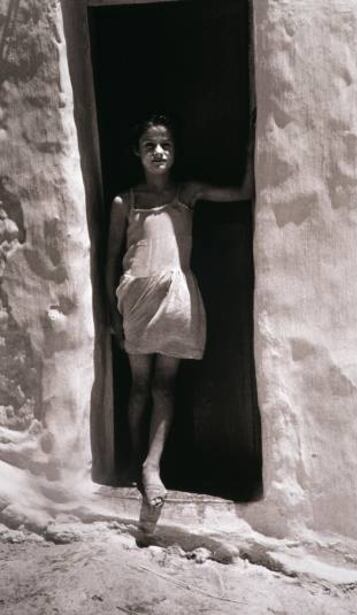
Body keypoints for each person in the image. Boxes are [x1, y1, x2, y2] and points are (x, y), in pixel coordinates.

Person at [106, 111, 254, 510]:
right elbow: (109, 260)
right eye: (150, 145)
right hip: (135, 300)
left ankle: (153, 466)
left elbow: (243, 192)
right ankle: (135, 456)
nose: (158, 151)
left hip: (175, 297)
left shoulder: (186, 193)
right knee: (138, 386)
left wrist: (254, 144)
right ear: (136, 152)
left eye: (166, 145)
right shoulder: (126, 201)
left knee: (163, 386)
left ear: (175, 152)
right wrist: (111, 311)